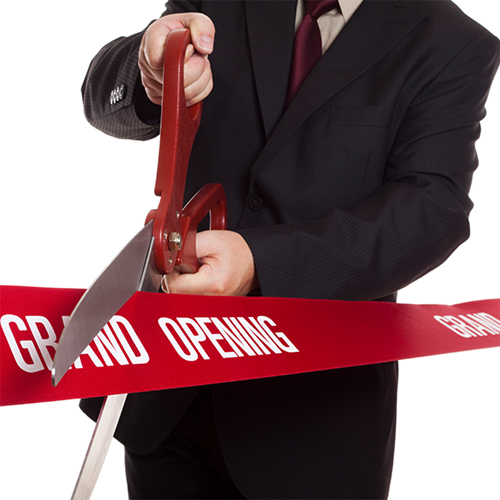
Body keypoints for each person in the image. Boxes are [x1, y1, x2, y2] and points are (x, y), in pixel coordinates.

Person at [80, 1, 500, 498]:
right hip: (170, 395)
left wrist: (261, 261)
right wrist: (151, 72)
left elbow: (431, 211)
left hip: (312, 425)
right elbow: (103, 98)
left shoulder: (454, 42)